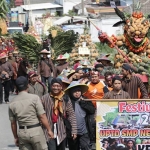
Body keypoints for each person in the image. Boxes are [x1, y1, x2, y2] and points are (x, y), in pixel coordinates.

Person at [8, 76, 54, 150]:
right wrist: (49, 130)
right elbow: (42, 115)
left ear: (16, 87)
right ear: (28, 85)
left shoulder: (12, 103)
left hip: (22, 133)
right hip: (35, 131)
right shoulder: (34, 98)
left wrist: (16, 137)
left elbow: (13, 123)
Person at [41, 78, 77, 150]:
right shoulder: (44, 98)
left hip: (61, 130)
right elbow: (40, 114)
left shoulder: (66, 98)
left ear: (61, 87)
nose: (56, 88)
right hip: (48, 130)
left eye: (58, 86)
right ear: (51, 86)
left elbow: (71, 114)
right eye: (54, 86)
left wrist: (74, 130)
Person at [65, 81, 95, 150]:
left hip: (84, 130)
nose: (77, 93)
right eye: (74, 91)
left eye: (78, 91)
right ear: (71, 93)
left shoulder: (86, 99)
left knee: (86, 147)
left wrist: (83, 103)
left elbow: (92, 110)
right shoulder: (67, 101)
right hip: (72, 131)